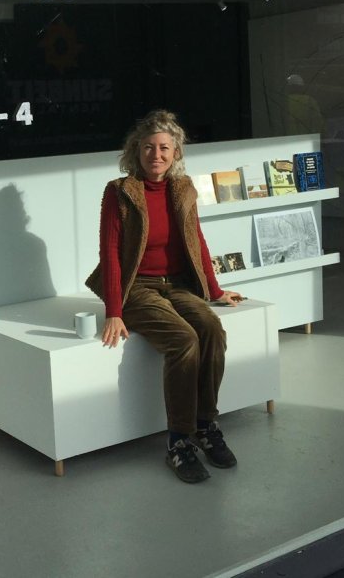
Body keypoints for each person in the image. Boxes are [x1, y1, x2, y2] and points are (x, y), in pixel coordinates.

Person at [85, 109, 243, 483]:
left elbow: (196, 240)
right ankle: (178, 442)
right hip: (137, 287)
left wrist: (215, 291)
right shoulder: (120, 191)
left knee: (211, 328)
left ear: (175, 153)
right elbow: (109, 251)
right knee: (183, 339)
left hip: (179, 283)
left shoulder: (184, 188)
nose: (156, 155)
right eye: (148, 148)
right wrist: (114, 310)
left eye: (164, 148)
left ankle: (206, 425)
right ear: (135, 151)